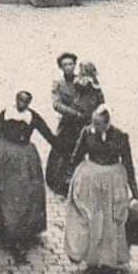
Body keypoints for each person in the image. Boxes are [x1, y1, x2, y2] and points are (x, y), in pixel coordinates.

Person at [65, 105, 138, 274]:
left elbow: (128, 164)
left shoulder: (121, 137)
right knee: (91, 219)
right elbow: (77, 155)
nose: (94, 126)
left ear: (107, 123)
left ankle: (108, 261)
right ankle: (91, 261)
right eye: (93, 122)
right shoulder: (87, 132)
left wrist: (135, 191)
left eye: (98, 123)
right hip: (91, 181)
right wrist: (71, 177)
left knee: (110, 222)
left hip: (112, 183)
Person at [0, 90, 57, 259]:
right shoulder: (6, 114)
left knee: (24, 194)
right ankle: (6, 227)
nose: (22, 104)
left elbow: (47, 134)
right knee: (4, 193)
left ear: (29, 103)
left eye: (26, 102)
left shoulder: (33, 117)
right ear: (16, 100)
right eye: (20, 101)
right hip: (4, 157)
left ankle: (20, 231)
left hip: (25, 159)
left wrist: (62, 150)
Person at [46, 55, 105, 197]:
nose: (69, 67)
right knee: (62, 152)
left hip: (85, 123)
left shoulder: (83, 80)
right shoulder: (58, 83)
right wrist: (74, 113)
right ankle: (60, 184)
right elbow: (56, 104)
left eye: (71, 64)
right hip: (68, 124)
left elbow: (98, 98)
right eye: (65, 65)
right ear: (61, 67)